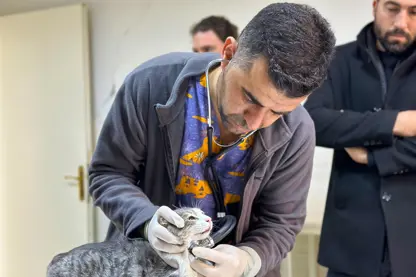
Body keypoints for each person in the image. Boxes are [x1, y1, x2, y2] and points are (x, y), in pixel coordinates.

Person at [89, 3, 335, 277]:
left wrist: (248, 260)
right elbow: (107, 174)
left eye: (277, 112)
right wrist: (146, 221)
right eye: (249, 98)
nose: (254, 123)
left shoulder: (298, 129)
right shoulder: (148, 85)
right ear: (229, 54)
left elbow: (280, 223)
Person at [304, 0, 416, 277]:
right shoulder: (336, 60)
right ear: (375, 5)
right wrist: (396, 122)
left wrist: (372, 155)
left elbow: (334, 123)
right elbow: (314, 122)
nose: (401, 22)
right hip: (350, 245)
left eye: (414, 12)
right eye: (392, 8)